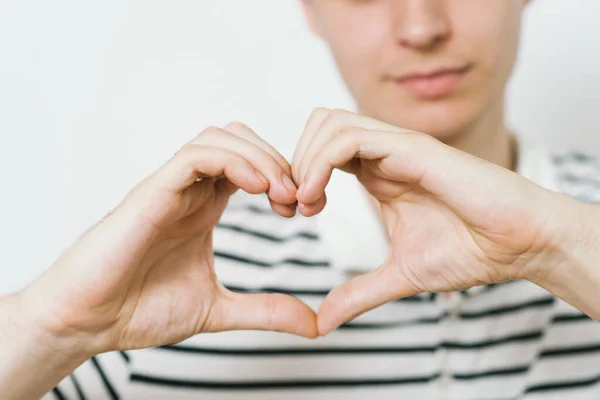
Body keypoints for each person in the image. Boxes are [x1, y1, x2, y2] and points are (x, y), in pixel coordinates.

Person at [2, 1, 600, 399]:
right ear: (311, 7)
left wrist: (560, 245)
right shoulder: (172, 277)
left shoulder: (582, 233)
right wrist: (50, 328)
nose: (421, 27)